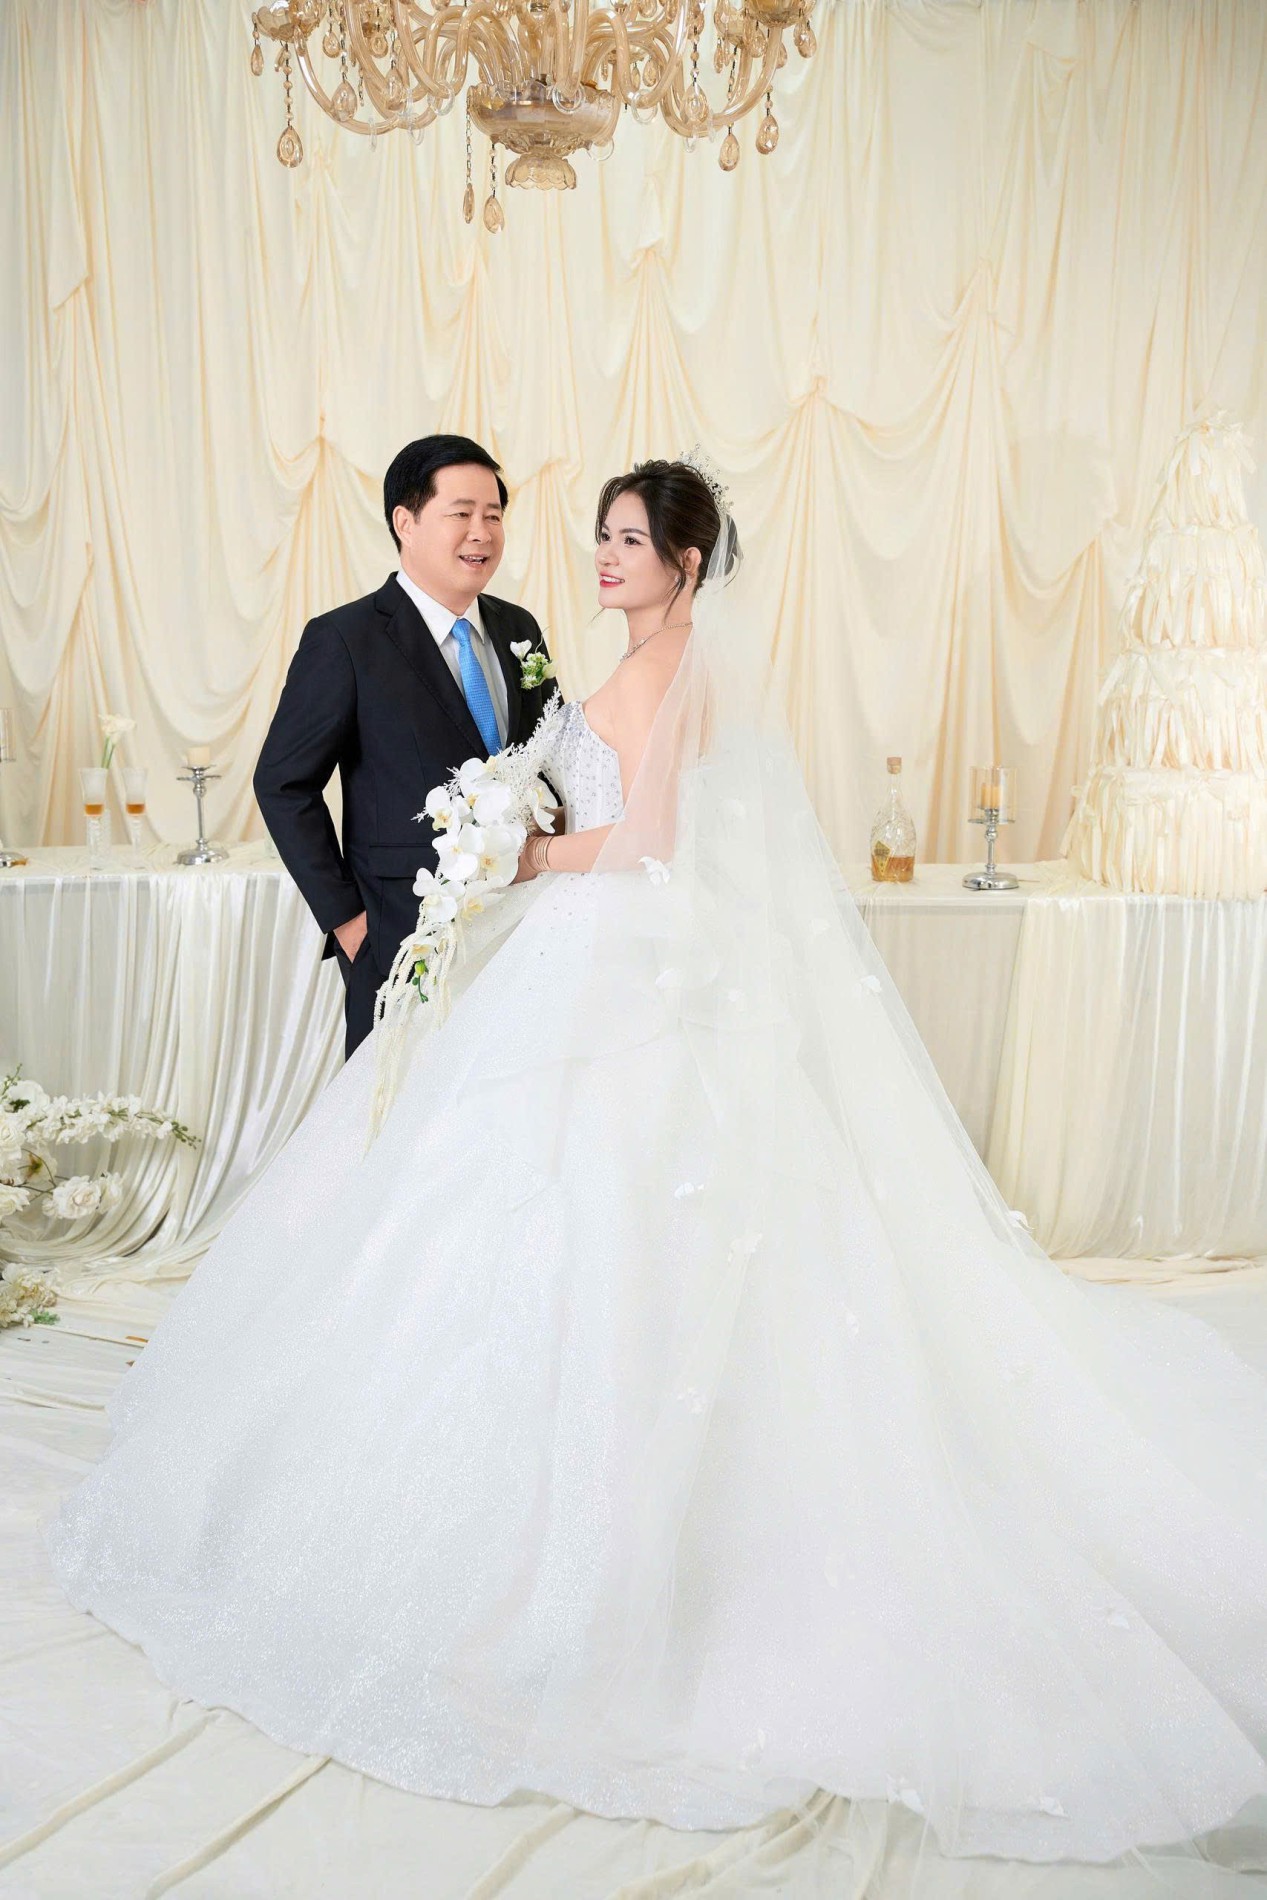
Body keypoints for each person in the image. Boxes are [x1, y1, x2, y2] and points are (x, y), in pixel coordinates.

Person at [46, 460, 1267, 1887]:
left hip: (611, 959)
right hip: (578, 958)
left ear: (689, 563)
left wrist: (519, 853)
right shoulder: (588, 655)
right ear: (408, 524)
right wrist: (477, 858)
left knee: (606, 1213)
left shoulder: (660, 668)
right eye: (600, 537)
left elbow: (650, 838)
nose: (603, 557)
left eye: (630, 540)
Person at [253, 434, 557, 1057]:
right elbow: (282, 783)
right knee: (400, 1104)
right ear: (406, 522)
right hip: (402, 932)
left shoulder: (518, 627)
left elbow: (546, 756)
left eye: (493, 515)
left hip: (521, 926)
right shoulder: (345, 639)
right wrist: (348, 921)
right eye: (461, 513)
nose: (482, 533)